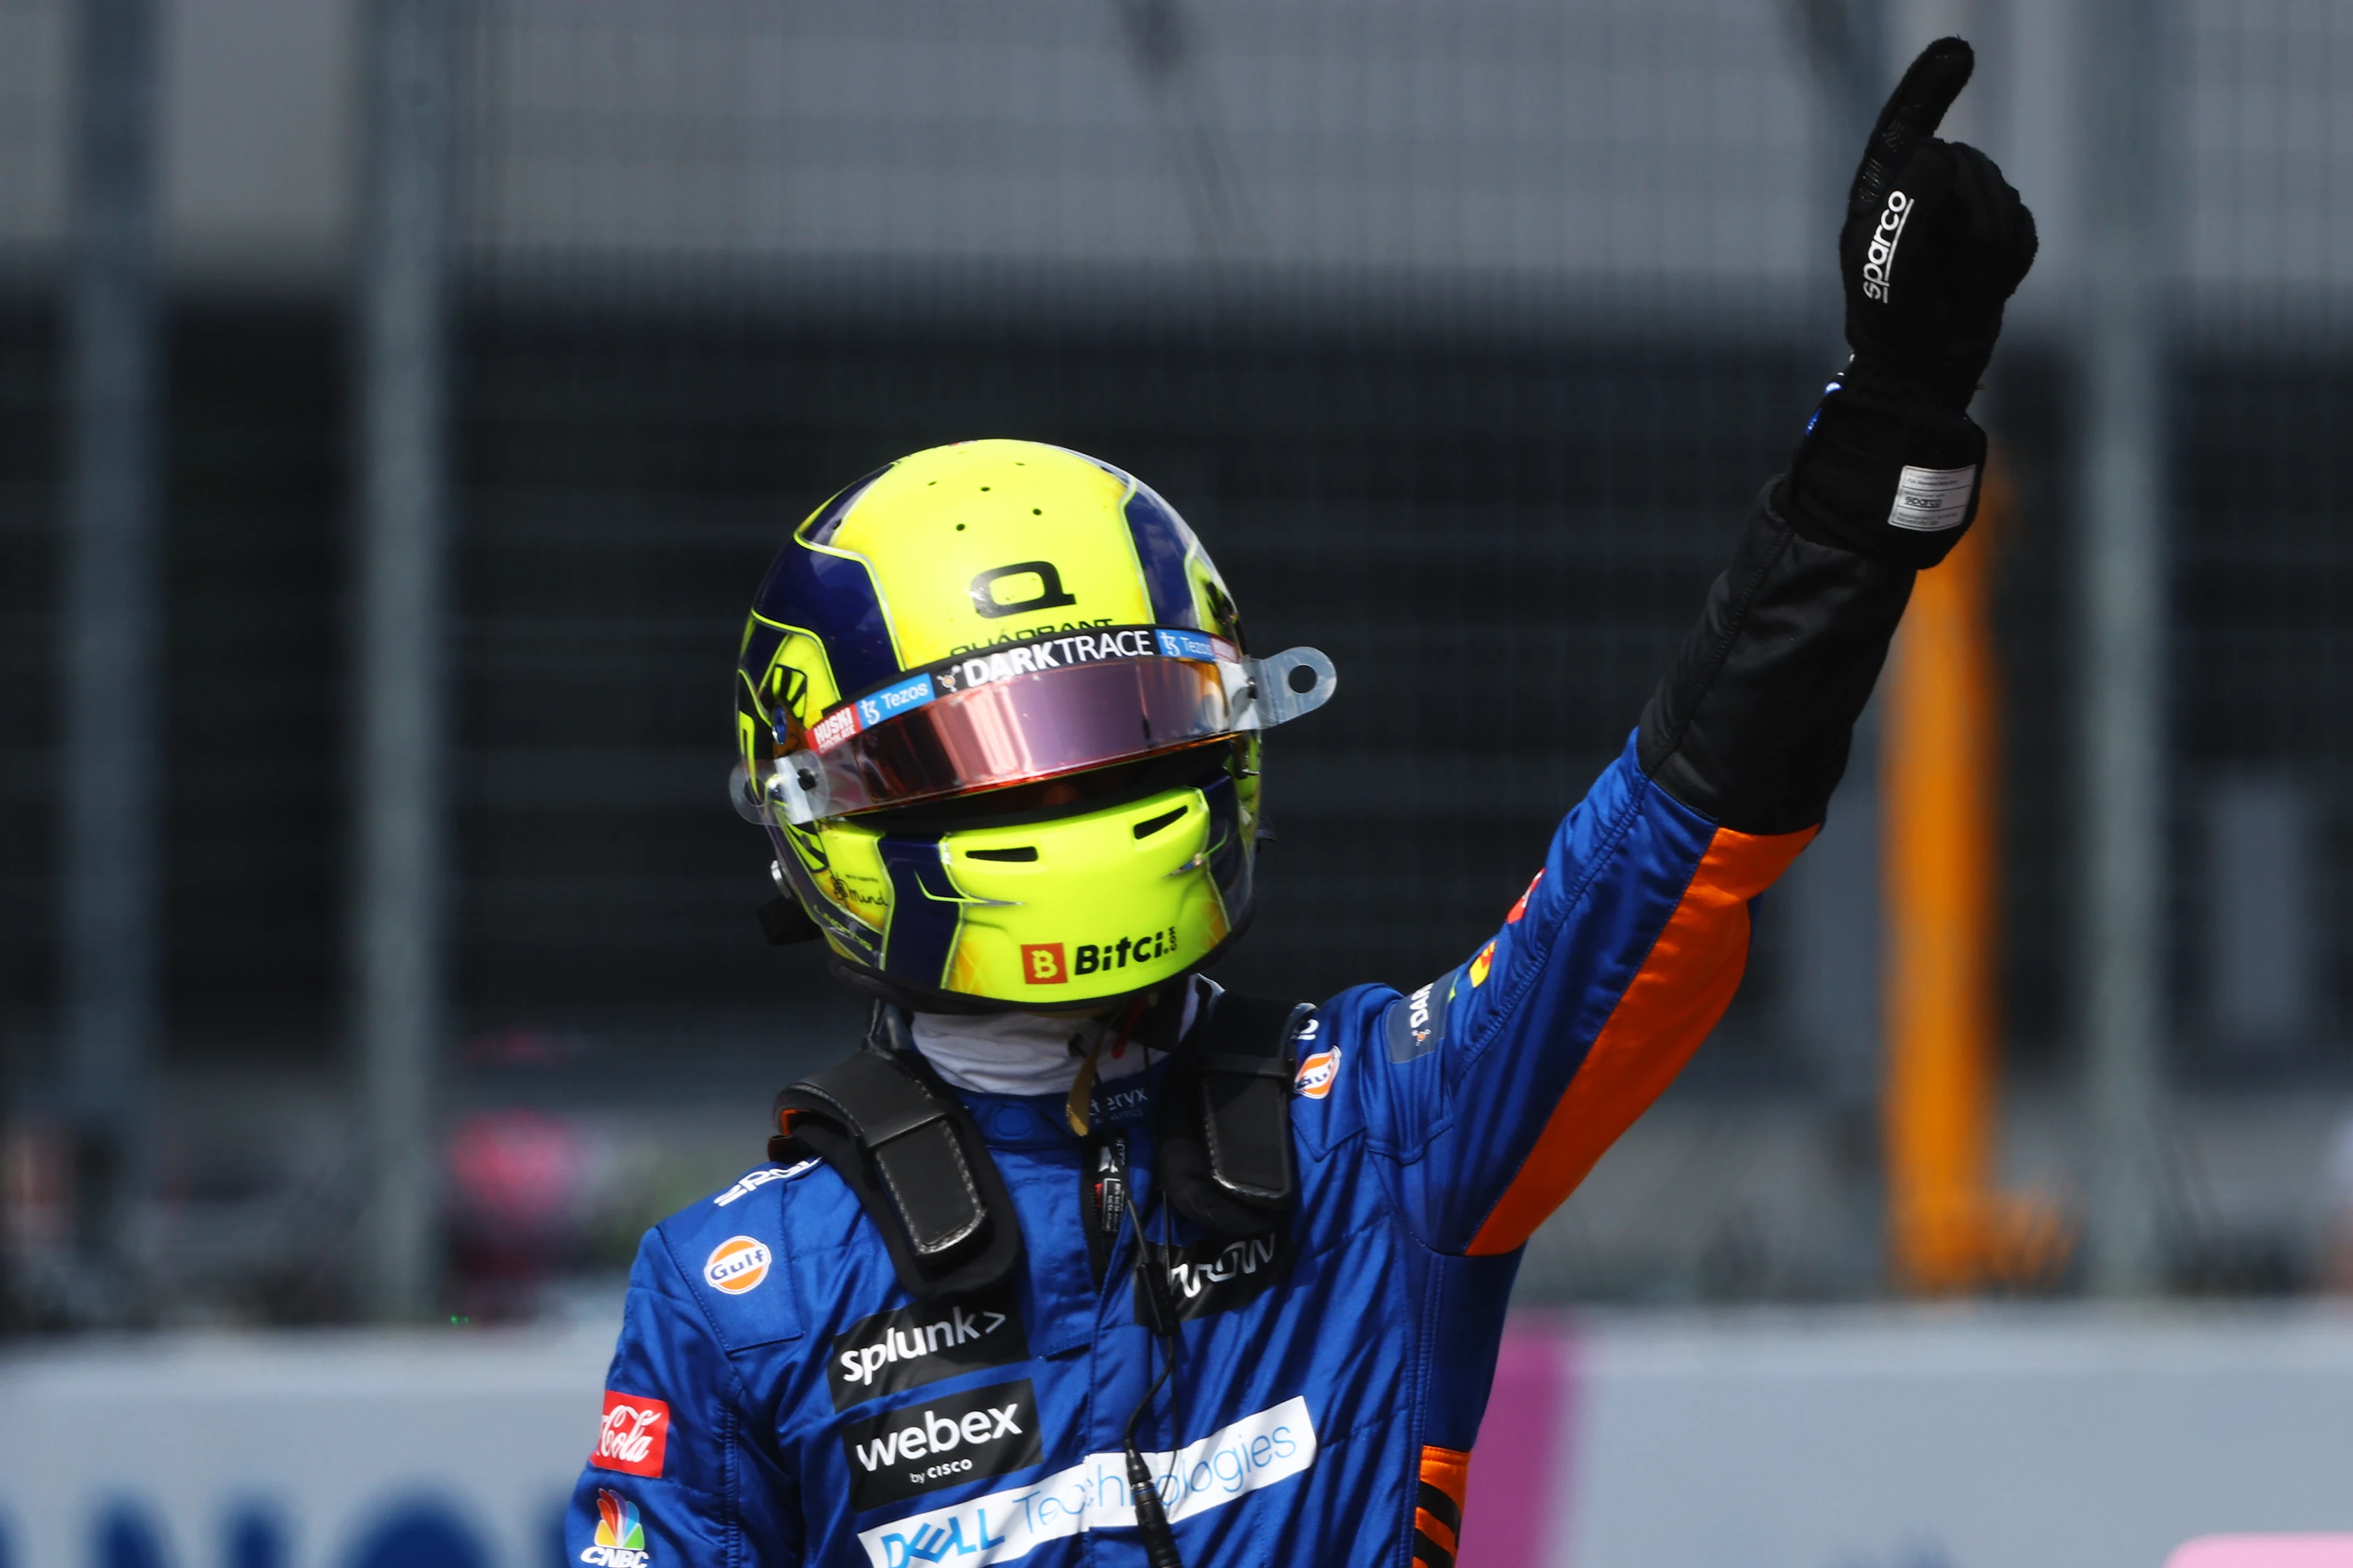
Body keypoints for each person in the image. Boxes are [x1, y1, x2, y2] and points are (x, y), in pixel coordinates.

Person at [567, 38, 2035, 1568]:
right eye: (1005, 756)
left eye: (1125, 725)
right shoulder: (746, 1289)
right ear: (828, 799)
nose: (1076, 788)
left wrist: (1887, 425)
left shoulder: (1379, 1130)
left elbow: (1665, 851)